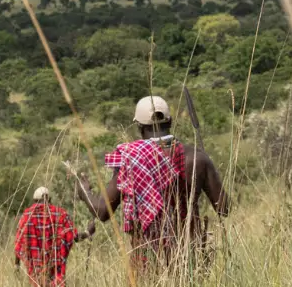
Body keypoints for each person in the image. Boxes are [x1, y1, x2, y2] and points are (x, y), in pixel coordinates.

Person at [77, 95, 229, 274]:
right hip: (190, 256)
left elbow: (102, 211)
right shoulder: (197, 157)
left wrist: (84, 191)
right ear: (170, 121)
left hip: (147, 260)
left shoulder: (132, 158)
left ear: (139, 126)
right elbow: (224, 208)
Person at [12, 186, 92, 287]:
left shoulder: (26, 216)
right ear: (49, 199)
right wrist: (87, 232)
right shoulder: (60, 214)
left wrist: (17, 265)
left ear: (34, 201)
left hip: (36, 266)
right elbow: (74, 237)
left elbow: (18, 242)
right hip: (55, 263)